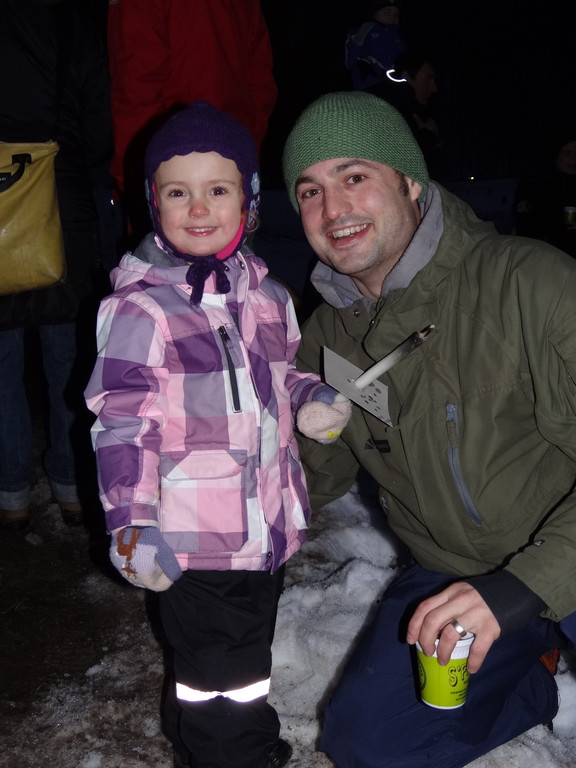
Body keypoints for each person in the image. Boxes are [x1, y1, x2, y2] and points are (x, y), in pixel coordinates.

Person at [281, 90, 576, 768]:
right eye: (310, 191)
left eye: (354, 176)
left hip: (561, 548)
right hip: (453, 573)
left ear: (410, 182)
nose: (333, 209)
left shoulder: (531, 283)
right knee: (369, 743)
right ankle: (530, 674)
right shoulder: (326, 336)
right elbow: (311, 479)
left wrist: (521, 589)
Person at [84, 101, 351, 768]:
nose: (199, 208)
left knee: (234, 664)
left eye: (218, 190)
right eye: (178, 192)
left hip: (265, 528)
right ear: (154, 203)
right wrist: (132, 523)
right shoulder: (141, 310)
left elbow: (282, 373)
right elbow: (122, 423)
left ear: (248, 201)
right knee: (220, 679)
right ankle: (235, 756)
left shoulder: (267, 296)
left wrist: (311, 397)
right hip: (192, 537)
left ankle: (217, 745)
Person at [0, 0, 113, 529]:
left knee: (1, 361)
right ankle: (71, 487)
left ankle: (11, 491)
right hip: (60, 203)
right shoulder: (73, 24)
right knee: (68, 358)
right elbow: (99, 132)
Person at [107, 0, 278, 246]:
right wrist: (245, 158)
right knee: (237, 264)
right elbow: (260, 83)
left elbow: (133, 90)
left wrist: (134, 184)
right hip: (232, 173)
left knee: (163, 267)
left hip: (171, 179)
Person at [514, 130, 576, 258]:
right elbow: (526, 232)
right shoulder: (539, 188)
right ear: (556, 156)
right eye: (568, 153)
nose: (574, 159)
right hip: (548, 259)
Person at [344, 0, 406, 93]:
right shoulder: (366, 29)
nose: (392, 18)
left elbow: (403, 57)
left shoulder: (396, 36)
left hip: (394, 84)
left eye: (396, 15)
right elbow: (350, 59)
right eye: (387, 13)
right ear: (374, 14)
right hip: (369, 85)